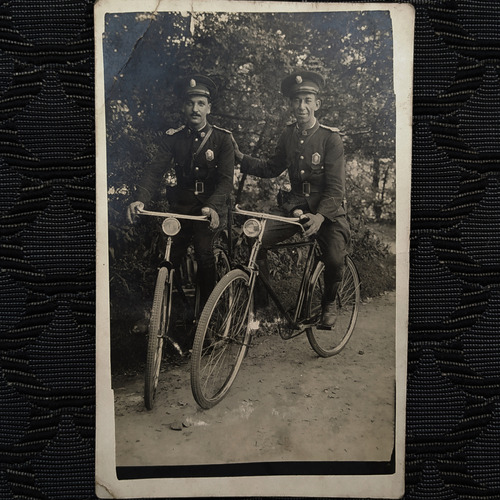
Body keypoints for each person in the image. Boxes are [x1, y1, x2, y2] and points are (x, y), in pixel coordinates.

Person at [233, 70, 350, 327]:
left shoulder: (331, 138)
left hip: (326, 211)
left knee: (333, 257)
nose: (302, 106)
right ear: (291, 104)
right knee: (255, 238)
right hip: (294, 208)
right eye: (297, 100)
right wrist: (242, 160)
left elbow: (335, 188)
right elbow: (272, 166)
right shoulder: (288, 135)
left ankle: (329, 303)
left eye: (307, 100)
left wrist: (320, 216)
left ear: (317, 104)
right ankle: (263, 309)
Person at [127, 74, 234, 306]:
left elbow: (226, 181)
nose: (195, 109)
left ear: (209, 108)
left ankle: (208, 318)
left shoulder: (222, 140)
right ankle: (163, 313)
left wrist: (213, 207)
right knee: (168, 258)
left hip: (209, 210)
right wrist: (140, 200)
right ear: (183, 107)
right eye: (190, 103)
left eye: (200, 104)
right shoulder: (173, 139)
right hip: (182, 207)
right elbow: (154, 171)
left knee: (204, 256)